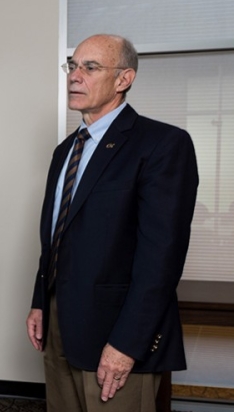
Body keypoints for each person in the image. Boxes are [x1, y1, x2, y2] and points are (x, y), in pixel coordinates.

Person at [26, 34, 198, 412]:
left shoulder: (163, 144)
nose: (75, 76)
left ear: (124, 80)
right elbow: (56, 236)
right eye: (72, 66)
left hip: (116, 332)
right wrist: (41, 302)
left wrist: (127, 344)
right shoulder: (65, 150)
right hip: (59, 325)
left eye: (90, 67)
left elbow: (162, 258)